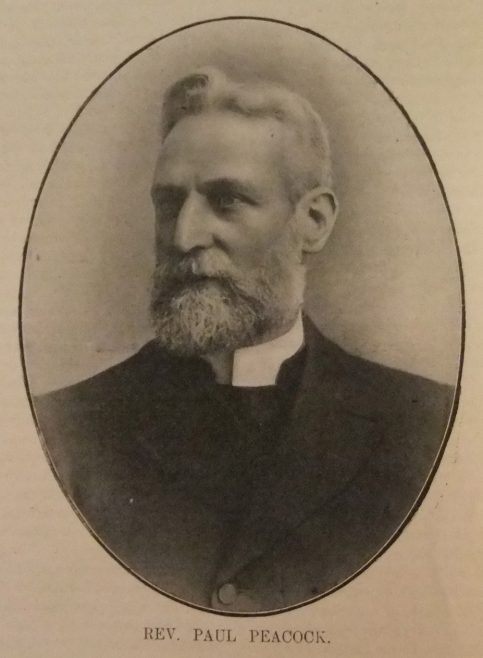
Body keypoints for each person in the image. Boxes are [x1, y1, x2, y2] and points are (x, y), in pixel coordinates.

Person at [34, 67, 454, 613]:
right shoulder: (64, 431)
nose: (185, 235)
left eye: (227, 200)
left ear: (314, 221)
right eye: (168, 203)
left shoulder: (427, 426)